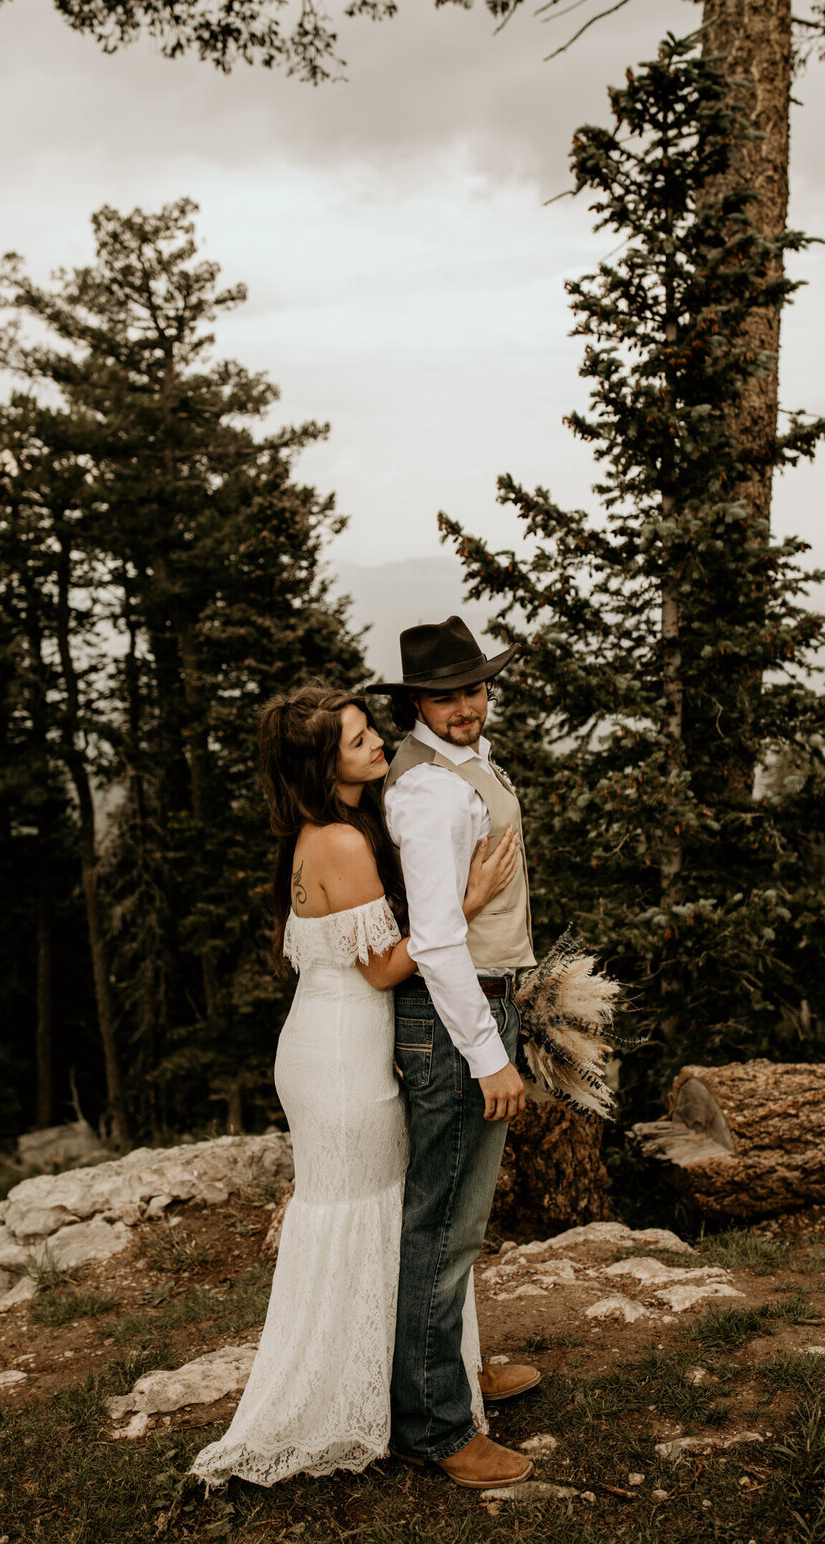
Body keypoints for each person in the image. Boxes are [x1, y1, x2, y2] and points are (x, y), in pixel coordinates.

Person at [190, 684, 518, 1488]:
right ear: (321, 764)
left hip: (329, 1041)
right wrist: (465, 903)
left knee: (388, 1214)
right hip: (343, 1055)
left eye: (372, 729)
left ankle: (433, 1376)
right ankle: (382, 1405)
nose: (378, 742)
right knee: (378, 1218)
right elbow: (383, 970)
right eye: (358, 739)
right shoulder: (339, 841)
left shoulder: (332, 830)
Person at [369, 616, 541, 1490]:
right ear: (418, 705)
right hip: (455, 1018)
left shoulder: (462, 763)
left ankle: (458, 1374)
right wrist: (487, 1055)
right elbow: (435, 943)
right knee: (439, 1228)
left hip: (480, 1003)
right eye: (448, 694)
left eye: (475, 688)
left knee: (460, 1223)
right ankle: (433, 1428)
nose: (468, 705)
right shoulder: (428, 792)